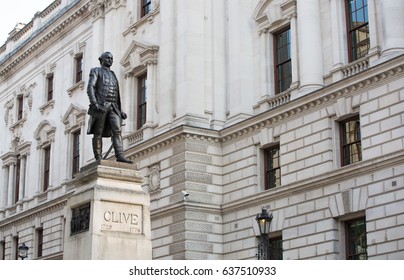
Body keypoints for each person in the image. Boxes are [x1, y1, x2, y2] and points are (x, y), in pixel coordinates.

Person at [86, 51, 133, 164]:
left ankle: (120, 155)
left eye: (111, 58)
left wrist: (120, 111)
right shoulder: (96, 71)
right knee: (98, 132)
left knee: (117, 130)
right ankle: (98, 157)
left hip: (113, 107)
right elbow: (90, 87)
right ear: (101, 59)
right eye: (107, 58)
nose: (110, 60)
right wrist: (95, 104)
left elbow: (116, 94)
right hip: (101, 106)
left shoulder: (113, 74)